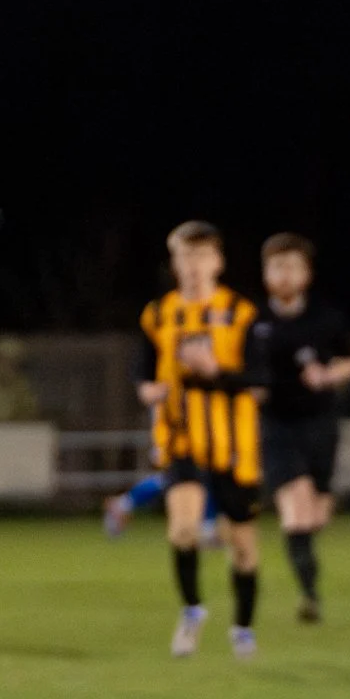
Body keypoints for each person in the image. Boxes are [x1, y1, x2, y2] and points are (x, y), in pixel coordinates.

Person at [137, 221, 263, 657]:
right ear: (174, 263)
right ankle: (192, 611)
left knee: (244, 549)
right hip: (181, 441)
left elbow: (258, 380)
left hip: (234, 447)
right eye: (184, 257)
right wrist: (148, 390)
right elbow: (144, 373)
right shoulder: (157, 315)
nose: (192, 266)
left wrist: (215, 373)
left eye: (201, 256)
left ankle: (243, 629)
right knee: (184, 530)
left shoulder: (241, 314)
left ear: (218, 261)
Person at [253, 233, 350, 622]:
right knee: (296, 509)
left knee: (315, 515)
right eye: (276, 266)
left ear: (306, 273)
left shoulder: (326, 318)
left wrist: (329, 375)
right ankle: (310, 597)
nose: (284, 274)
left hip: (320, 424)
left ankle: (307, 572)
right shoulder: (252, 322)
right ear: (266, 273)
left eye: (292, 266)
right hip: (276, 427)